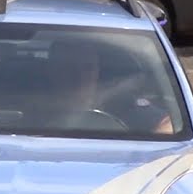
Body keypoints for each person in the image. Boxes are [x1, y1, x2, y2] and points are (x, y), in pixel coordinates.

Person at [41, 38, 174, 134]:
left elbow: (170, 124)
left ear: (98, 71)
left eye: (88, 68)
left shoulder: (121, 104)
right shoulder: (29, 108)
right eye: (68, 68)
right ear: (52, 70)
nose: (79, 76)